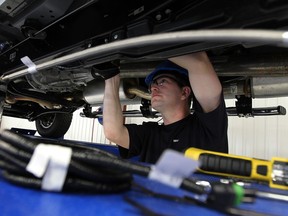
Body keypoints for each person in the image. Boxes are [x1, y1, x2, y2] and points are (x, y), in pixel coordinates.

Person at [102, 51, 228, 163]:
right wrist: (110, 76)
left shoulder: (208, 127)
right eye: (152, 86)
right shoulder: (150, 134)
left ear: (184, 92)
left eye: (162, 82)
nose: (153, 88)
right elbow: (114, 133)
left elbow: (199, 63)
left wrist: (143, 41)